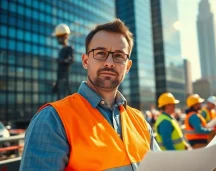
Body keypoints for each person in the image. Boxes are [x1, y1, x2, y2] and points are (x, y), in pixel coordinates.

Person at [20, 19, 160, 170]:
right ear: (85, 61)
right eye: (101, 53)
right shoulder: (52, 120)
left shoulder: (140, 122)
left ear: (128, 66)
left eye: (119, 56)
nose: (109, 62)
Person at [51, 23, 74, 99]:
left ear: (65, 37)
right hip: (60, 80)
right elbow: (59, 71)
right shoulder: (61, 50)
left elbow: (71, 60)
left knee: (66, 100)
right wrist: (57, 83)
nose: (57, 39)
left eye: (59, 37)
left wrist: (62, 60)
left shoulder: (69, 48)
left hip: (65, 80)